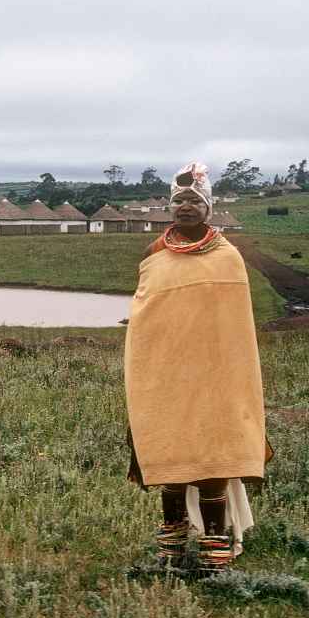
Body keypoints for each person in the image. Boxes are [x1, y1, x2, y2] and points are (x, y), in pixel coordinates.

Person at [125, 162, 270, 575]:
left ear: (208, 208)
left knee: (211, 467)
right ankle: (171, 549)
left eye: (194, 201)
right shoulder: (154, 255)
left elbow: (233, 324)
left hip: (215, 377)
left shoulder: (228, 257)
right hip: (165, 376)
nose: (185, 207)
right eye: (178, 201)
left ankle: (215, 553)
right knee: (170, 465)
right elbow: (146, 314)